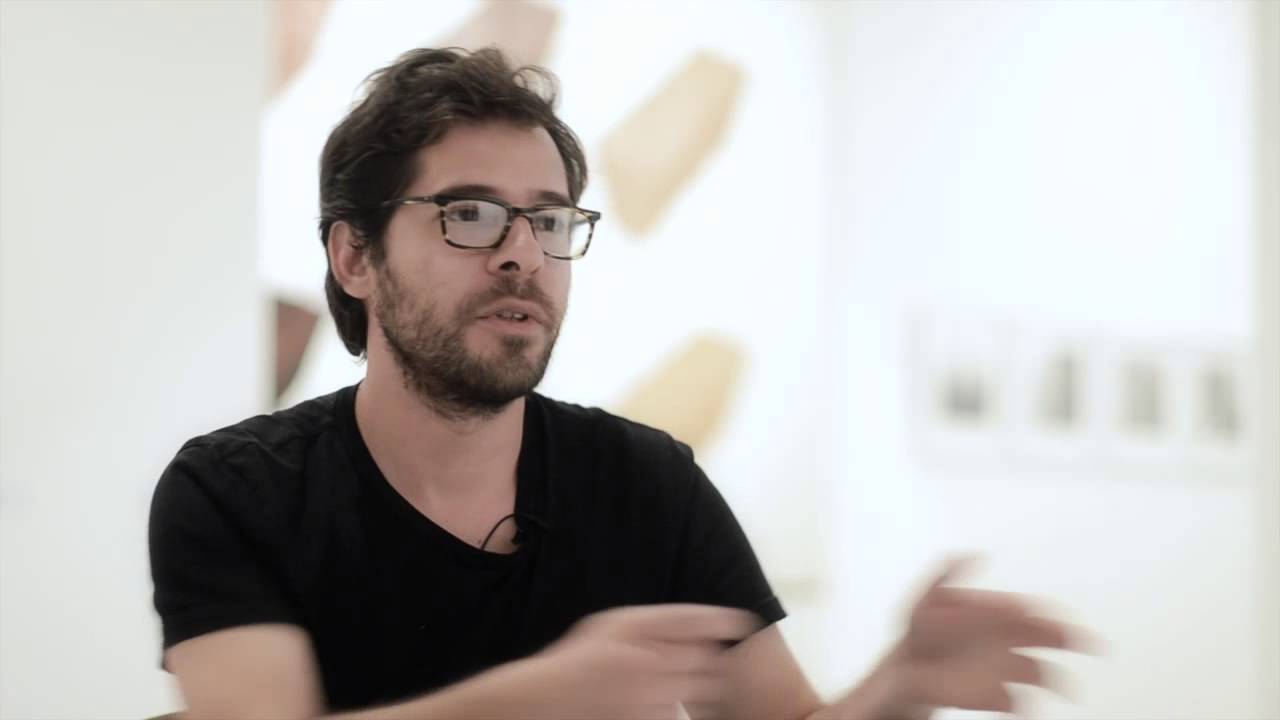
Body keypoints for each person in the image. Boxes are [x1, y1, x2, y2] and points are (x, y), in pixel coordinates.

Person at [149, 47, 1083, 720]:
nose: (523, 256)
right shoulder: (237, 491)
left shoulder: (645, 483)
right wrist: (535, 698)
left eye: (550, 222)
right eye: (471, 214)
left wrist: (899, 684)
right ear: (355, 256)